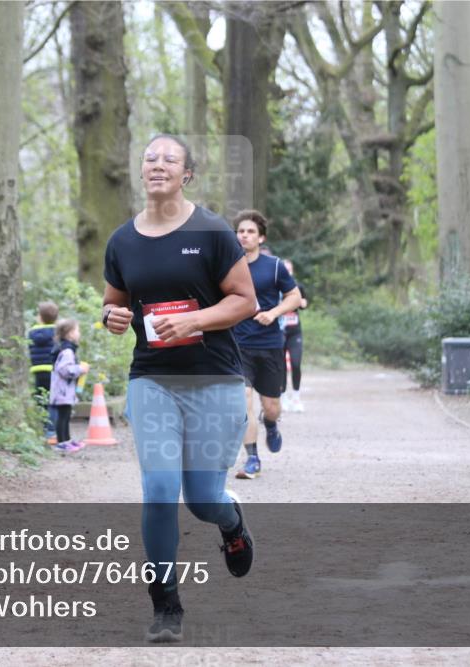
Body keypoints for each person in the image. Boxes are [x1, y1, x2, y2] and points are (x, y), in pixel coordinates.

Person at [102, 134, 257, 643]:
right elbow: (113, 304)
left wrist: (195, 321)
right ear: (140, 171)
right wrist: (114, 317)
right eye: (150, 158)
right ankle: (165, 604)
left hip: (214, 377)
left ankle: (231, 524)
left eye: (170, 159)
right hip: (152, 379)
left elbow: (244, 301)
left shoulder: (211, 231)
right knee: (161, 489)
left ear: (187, 173)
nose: (158, 165)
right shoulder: (122, 241)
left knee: (202, 499)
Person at [231, 211, 302, 480]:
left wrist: (273, 313)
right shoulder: (228, 267)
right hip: (238, 344)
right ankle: (252, 459)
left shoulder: (274, 266)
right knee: (243, 400)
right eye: (240, 231)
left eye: (250, 231)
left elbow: (294, 297)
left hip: (270, 344)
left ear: (261, 237)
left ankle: (271, 423)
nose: (244, 235)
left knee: (271, 405)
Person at [49, 319, 89, 453]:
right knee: (63, 417)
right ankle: (62, 443)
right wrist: (80, 369)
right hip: (62, 391)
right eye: (77, 330)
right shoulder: (67, 351)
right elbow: (64, 369)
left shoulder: (66, 349)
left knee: (65, 416)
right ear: (70, 334)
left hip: (65, 391)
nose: (79, 333)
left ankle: (67, 440)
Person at [28, 301, 59, 443]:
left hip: (38, 370)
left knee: (41, 399)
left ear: (40, 317)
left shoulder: (32, 332)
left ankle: (42, 429)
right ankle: (52, 431)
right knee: (53, 400)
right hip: (53, 371)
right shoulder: (58, 332)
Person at [280, 259, 309, 413]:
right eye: (285, 269)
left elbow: (304, 303)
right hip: (279, 332)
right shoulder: (275, 287)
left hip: (294, 332)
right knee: (282, 366)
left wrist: (300, 302)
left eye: (289, 269)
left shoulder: (298, 287)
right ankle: (283, 397)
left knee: (296, 363)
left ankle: (296, 398)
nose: (288, 272)